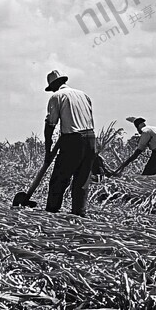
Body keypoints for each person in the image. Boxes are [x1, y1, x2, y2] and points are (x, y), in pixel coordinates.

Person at [42, 69, 95, 217]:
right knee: (82, 181)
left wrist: (48, 151)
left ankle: (51, 213)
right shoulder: (84, 95)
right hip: (90, 138)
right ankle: (80, 214)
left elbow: (50, 125)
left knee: (59, 178)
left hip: (73, 141)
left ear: (53, 86)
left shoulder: (57, 97)